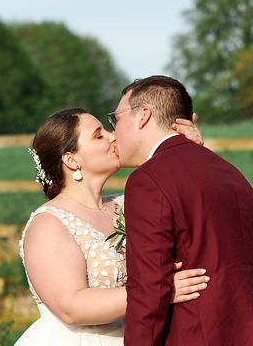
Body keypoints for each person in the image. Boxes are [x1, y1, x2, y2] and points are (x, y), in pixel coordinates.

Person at [15, 108, 209, 345]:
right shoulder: (49, 224)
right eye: (99, 135)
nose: (113, 136)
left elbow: (198, 212)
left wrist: (190, 151)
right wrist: (160, 290)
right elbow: (71, 307)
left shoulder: (129, 204)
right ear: (71, 159)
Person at [112, 76, 253, 346]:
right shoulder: (230, 174)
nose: (114, 133)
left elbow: (149, 290)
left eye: (116, 119)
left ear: (143, 115)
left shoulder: (149, 180)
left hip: (196, 334)